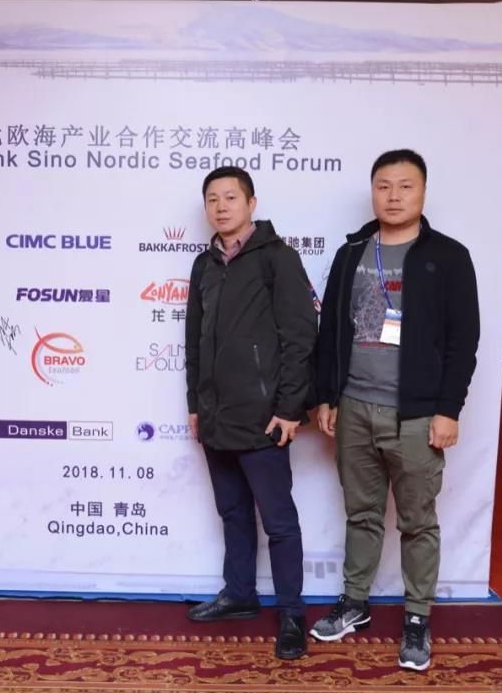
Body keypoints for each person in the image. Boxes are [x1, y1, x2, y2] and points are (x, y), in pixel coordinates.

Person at [310, 149, 479, 671]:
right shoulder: (351, 253)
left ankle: (417, 617)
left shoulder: (448, 256)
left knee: (417, 521)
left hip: (416, 415)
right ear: (372, 192)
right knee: (361, 514)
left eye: (405, 186)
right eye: (383, 186)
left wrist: (448, 410)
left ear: (423, 192)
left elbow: (464, 340)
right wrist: (326, 395)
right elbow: (330, 332)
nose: (394, 196)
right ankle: (355, 602)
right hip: (354, 407)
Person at [184, 166, 318, 660]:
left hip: (264, 418)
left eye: (231, 198)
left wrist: (289, 409)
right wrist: (195, 405)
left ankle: (292, 614)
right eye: (212, 199)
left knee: (279, 522)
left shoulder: (277, 259)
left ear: (251, 204)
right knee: (233, 512)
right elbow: (194, 342)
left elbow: (300, 337)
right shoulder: (204, 265)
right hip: (216, 416)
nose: (221, 207)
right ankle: (239, 593)